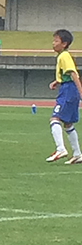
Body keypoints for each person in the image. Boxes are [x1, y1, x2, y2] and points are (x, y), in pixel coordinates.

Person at [46, 29, 82, 164]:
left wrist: (81, 92)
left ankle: (60, 149)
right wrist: (57, 81)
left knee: (54, 119)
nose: (53, 43)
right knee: (68, 123)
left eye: (56, 41)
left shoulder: (64, 56)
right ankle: (77, 154)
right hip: (68, 88)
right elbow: (67, 74)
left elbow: (73, 74)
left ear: (64, 43)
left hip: (68, 90)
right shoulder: (63, 56)